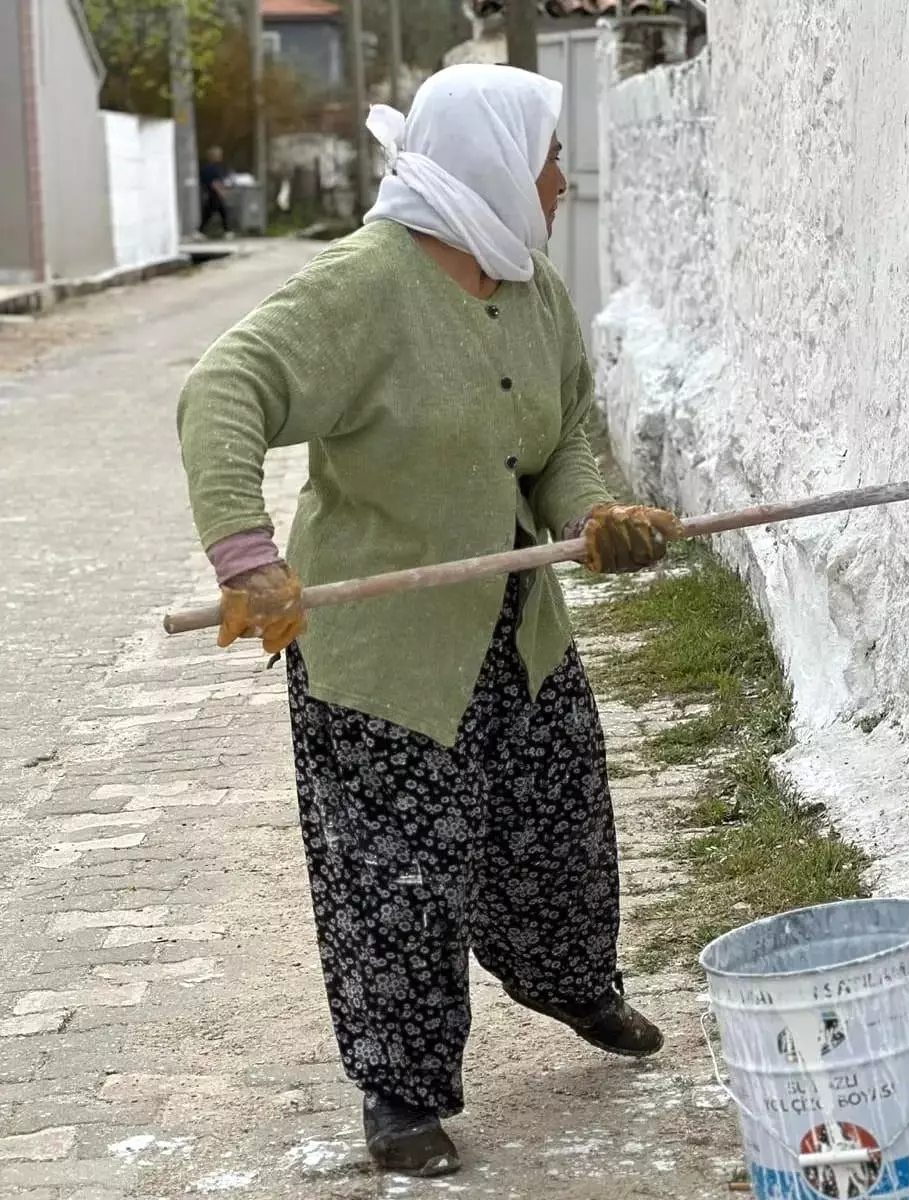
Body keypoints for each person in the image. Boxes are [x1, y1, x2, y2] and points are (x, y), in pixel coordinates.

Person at [176, 65, 683, 1178]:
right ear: (497, 160)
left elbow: (563, 445)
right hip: (385, 657)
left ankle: (574, 988)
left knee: (558, 835)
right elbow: (225, 387)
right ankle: (400, 1097)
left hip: (518, 633)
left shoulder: (533, 288)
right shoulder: (363, 287)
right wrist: (246, 554)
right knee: (395, 883)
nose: (561, 181)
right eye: (550, 159)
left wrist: (596, 514)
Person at [199, 146, 232, 236]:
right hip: (212, 193)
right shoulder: (210, 168)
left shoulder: (216, 167)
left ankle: (226, 230)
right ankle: (226, 231)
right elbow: (214, 183)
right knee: (216, 211)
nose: (220, 156)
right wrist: (223, 192)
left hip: (214, 193)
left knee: (218, 212)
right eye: (218, 154)